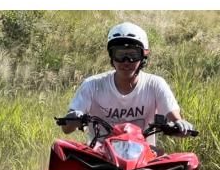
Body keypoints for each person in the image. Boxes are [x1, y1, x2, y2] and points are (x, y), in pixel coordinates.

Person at [61, 21, 194, 149]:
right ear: (111, 57)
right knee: (62, 153)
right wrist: (74, 118)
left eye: (132, 55)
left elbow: (174, 117)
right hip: (100, 155)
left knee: (185, 164)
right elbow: (66, 129)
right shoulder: (92, 85)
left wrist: (180, 125)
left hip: (143, 156)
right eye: (120, 55)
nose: (126, 62)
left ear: (143, 56)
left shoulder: (155, 84)